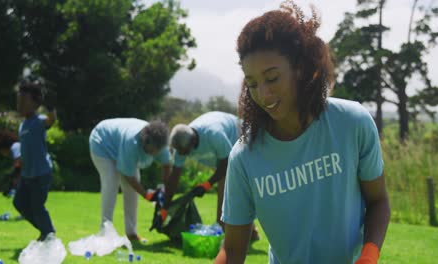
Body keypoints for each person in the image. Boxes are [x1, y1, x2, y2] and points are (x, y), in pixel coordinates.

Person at [215, 1, 391, 264]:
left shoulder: (353, 123)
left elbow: (378, 202)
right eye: (252, 84)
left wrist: (369, 255)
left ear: (300, 68)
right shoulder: (244, 157)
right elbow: (233, 250)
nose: (263, 94)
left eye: (272, 78)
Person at [164, 111, 260, 241]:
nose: (181, 154)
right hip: (225, 157)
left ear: (193, 141)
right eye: (179, 151)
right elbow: (174, 177)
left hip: (243, 140)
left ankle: (230, 238)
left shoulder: (214, 134)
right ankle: (251, 233)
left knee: (224, 206)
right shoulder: (182, 144)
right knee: (227, 193)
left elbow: (227, 164)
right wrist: (164, 209)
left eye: (184, 151)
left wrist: (206, 184)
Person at [89, 118, 171, 242]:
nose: (154, 154)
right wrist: (145, 194)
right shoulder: (131, 142)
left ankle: (131, 234)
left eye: (157, 151)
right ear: (145, 141)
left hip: (118, 143)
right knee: (111, 183)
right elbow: (128, 175)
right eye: (152, 150)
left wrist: (165, 190)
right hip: (102, 142)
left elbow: (166, 165)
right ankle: (105, 233)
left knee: (131, 191)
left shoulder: (160, 143)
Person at [13, 81, 57, 241]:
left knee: (37, 206)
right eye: (18, 101)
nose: (19, 104)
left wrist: (51, 107)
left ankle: (48, 233)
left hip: (41, 173)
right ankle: (47, 231)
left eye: (23, 101)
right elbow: (24, 152)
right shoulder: (22, 125)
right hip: (27, 174)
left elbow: (51, 120)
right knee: (19, 203)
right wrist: (18, 173)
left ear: (35, 103)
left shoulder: (39, 120)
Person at [0, 130, 21, 197]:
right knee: (20, 203)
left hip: (38, 175)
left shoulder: (15, 147)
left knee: (20, 202)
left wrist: (10, 179)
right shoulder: (16, 147)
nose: (0, 152)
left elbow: (19, 164)